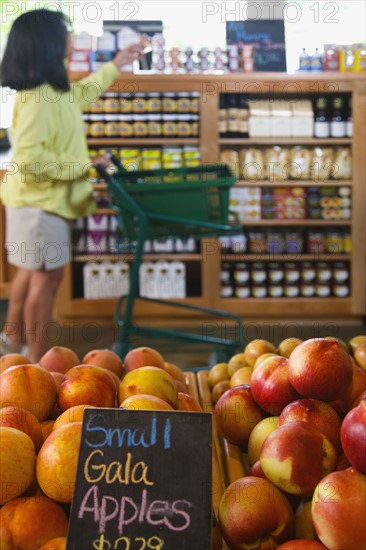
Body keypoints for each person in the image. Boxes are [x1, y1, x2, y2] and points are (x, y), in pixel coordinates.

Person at [0, 9, 145, 362]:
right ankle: (37, 362)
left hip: (37, 202)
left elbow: (82, 94)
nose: (71, 39)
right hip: (40, 204)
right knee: (47, 280)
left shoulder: (52, 90)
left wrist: (118, 63)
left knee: (31, 271)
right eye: (66, 33)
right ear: (48, 44)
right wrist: (86, 165)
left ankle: (12, 339)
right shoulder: (38, 100)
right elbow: (33, 164)